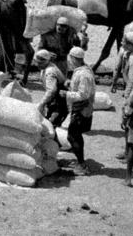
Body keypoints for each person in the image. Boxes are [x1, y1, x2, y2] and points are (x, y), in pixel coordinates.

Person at [63, 47, 95, 175]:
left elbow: (83, 95)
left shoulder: (84, 74)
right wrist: (71, 84)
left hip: (81, 109)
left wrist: (66, 94)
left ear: (73, 59)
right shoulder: (82, 71)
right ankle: (80, 161)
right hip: (81, 109)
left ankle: (82, 165)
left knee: (72, 136)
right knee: (76, 135)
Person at [35, 50, 69, 128]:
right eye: (37, 62)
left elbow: (51, 91)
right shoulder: (47, 66)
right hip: (55, 99)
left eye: (40, 63)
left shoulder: (50, 72)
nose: (38, 65)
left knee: (52, 124)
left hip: (59, 100)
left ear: (47, 61)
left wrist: (42, 104)